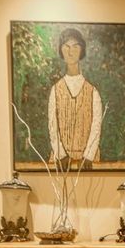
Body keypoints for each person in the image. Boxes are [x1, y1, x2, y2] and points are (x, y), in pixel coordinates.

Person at [47, 28, 103, 170]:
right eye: (66, 46)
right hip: (60, 163)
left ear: (81, 50)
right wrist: (61, 154)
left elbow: (96, 126)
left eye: (75, 46)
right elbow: (52, 126)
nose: (70, 51)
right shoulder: (55, 90)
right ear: (61, 50)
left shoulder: (93, 92)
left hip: (89, 162)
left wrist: (88, 155)